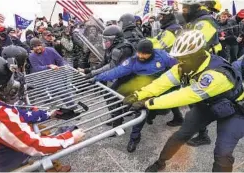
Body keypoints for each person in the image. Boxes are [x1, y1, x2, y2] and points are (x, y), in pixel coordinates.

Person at [123, 30, 244, 172]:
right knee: (180, 135)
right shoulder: (184, 66)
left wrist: (149, 103)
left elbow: (185, 95)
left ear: (197, 55)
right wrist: (138, 95)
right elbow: (162, 82)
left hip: (235, 110)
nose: (179, 62)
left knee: (223, 153)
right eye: (178, 58)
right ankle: (160, 163)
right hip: (207, 105)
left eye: (183, 58)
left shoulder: (216, 75)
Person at [0, 53, 85, 172]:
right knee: (39, 138)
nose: (11, 86)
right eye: (7, 83)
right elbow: (33, 145)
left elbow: (18, 114)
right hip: (0, 167)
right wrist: (70, 138)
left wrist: (49, 114)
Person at [92, 39, 183, 152]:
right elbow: (116, 71)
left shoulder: (163, 56)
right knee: (132, 104)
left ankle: (134, 137)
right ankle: (124, 127)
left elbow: (179, 69)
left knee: (144, 111)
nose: (141, 55)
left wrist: (173, 89)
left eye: (144, 53)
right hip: (139, 85)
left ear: (151, 52)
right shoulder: (133, 60)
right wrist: (96, 77)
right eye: (139, 52)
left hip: (159, 86)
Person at [180, 0, 223, 147]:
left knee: (198, 100)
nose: (183, 11)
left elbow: (193, 44)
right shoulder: (194, 21)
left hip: (203, 67)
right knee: (196, 100)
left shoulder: (205, 22)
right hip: (193, 66)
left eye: (185, 8)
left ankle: (204, 135)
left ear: (195, 7)